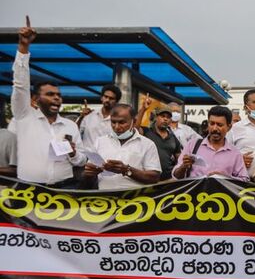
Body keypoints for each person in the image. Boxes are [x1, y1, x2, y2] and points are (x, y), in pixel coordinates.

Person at [11, 17, 86, 188]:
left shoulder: (70, 125)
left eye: (58, 95)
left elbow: (81, 161)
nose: (57, 98)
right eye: (50, 94)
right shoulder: (24, 117)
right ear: (36, 99)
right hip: (29, 190)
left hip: (65, 189)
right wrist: (23, 47)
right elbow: (20, 85)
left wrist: (74, 153)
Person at [82, 104, 161, 190]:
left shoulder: (147, 144)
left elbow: (154, 177)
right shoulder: (100, 142)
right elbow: (89, 176)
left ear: (134, 122)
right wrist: (89, 173)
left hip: (136, 200)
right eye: (113, 122)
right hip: (105, 199)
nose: (116, 127)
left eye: (121, 122)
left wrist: (126, 170)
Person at [172, 106, 248, 181]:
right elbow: (176, 176)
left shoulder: (235, 153)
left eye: (219, 125)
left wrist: (224, 178)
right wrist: (183, 166)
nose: (214, 128)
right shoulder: (192, 145)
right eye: (212, 124)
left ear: (229, 127)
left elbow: (244, 179)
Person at [135, 99, 182, 181]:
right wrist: (143, 109)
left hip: (168, 180)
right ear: (156, 117)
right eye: (162, 116)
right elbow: (135, 128)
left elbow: (180, 159)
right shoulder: (147, 132)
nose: (165, 119)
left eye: (168, 117)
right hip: (148, 179)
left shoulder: (173, 138)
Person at [78, 84, 122, 150]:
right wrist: (81, 117)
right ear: (101, 98)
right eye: (106, 97)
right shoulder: (89, 116)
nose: (107, 100)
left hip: (107, 158)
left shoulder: (118, 121)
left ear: (116, 102)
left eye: (111, 98)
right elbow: (75, 132)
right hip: (87, 158)